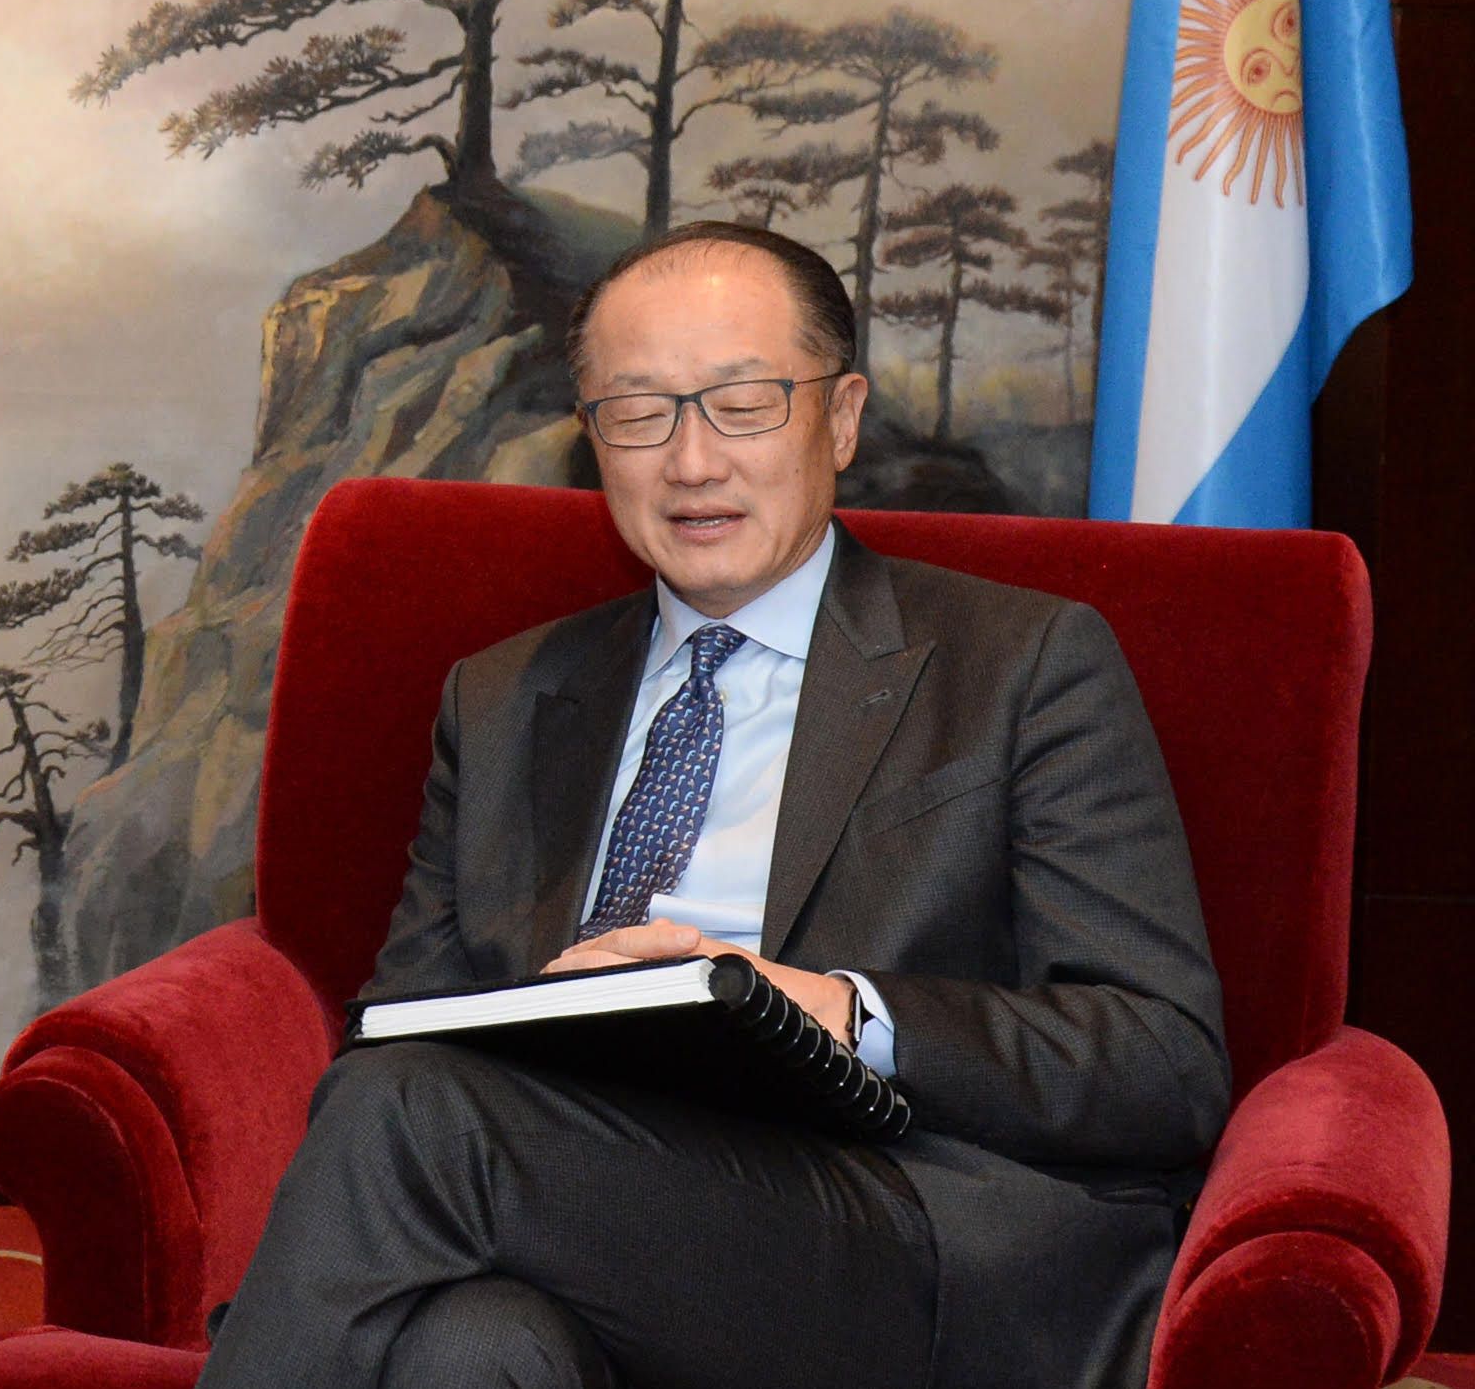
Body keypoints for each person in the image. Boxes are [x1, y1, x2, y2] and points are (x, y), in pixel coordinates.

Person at [198, 220, 1227, 1389]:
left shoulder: (1022, 662)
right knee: (469, 1347)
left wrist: (832, 1010)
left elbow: (1163, 1063)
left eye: (741, 403)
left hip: (903, 1240)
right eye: (638, 414)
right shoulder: (505, 699)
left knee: (411, 1112)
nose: (690, 463)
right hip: (588, 1222)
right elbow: (401, 1025)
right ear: (593, 442)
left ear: (838, 418)